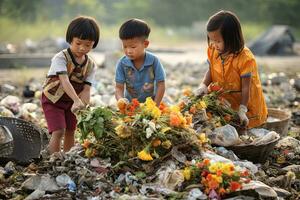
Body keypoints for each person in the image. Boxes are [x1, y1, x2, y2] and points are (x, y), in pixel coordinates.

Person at [195, 10, 267, 128]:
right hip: (227, 104)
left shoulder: (245, 58)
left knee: (245, 128)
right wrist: (203, 85)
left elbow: (246, 87)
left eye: (218, 41)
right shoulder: (213, 50)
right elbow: (211, 69)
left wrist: (243, 109)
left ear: (231, 38)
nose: (214, 44)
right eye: (211, 39)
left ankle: (249, 118)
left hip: (247, 106)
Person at [41, 16, 100, 154]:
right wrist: (76, 100)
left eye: (88, 45)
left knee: (71, 130)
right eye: (78, 43)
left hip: (72, 102)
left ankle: (68, 157)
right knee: (58, 130)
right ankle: (54, 158)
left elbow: (86, 88)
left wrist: (83, 105)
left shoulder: (91, 65)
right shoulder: (60, 58)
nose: (82, 48)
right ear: (70, 39)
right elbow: (64, 81)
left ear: (94, 44)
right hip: (53, 99)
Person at [115, 18, 166, 106]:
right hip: (130, 106)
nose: (128, 51)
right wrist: (121, 100)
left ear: (145, 44)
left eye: (133, 47)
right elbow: (119, 87)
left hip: (150, 104)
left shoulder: (154, 61)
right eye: (125, 46)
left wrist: (155, 105)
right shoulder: (122, 63)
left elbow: (161, 84)